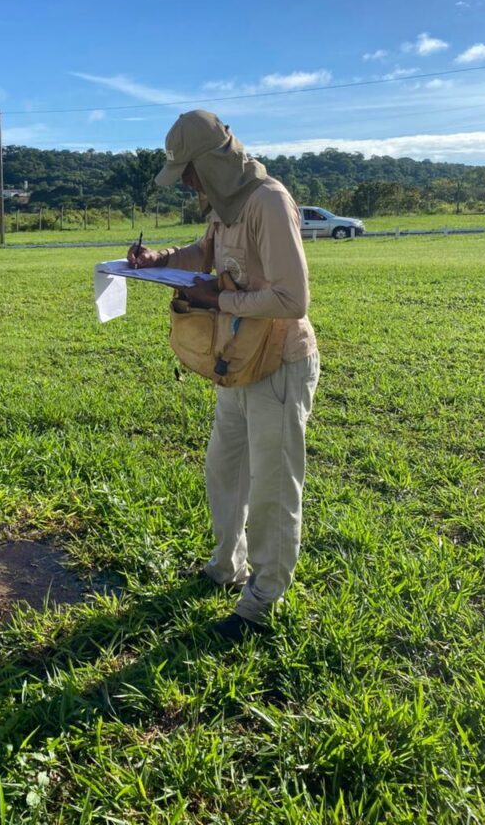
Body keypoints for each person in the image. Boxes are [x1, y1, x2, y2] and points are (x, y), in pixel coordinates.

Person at [128, 110, 319, 641]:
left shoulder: (267, 202)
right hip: (237, 360)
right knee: (224, 469)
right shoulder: (225, 207)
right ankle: (225, 566)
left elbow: (293, 297)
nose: (188, 183)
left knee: (273, 485)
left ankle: (262, 600)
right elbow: (204, 254)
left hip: (279, 362)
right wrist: (158, 258)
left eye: (190, 172)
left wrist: (220, 296)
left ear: (212, 163)